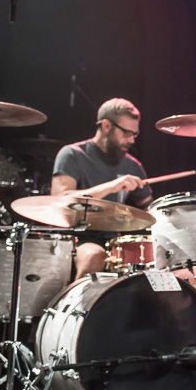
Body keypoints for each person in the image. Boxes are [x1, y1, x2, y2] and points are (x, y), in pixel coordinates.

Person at [51, 98, 152, 280]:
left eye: (134, 135)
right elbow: (59, 199)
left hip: (116, 242)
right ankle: (73, 307)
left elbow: (150, 211)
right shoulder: (72, 154)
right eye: (127, 133)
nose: (131, 140)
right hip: (78, 239)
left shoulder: (133, 166)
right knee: (94, 256)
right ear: (106, 126)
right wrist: (111, 187)